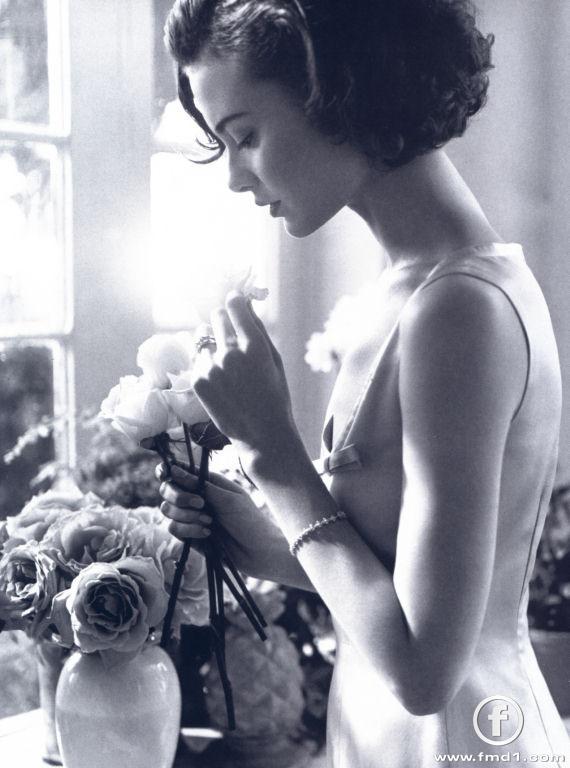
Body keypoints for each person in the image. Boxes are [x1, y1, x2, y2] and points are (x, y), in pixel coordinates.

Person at [158, 1, 570, 765]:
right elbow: (387, 586)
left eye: (247, 136)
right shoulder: (406, 291)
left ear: (340, 89)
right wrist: (254, 536)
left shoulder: (459, 308)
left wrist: (271, 452)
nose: (235, 177)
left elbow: (425, 671)